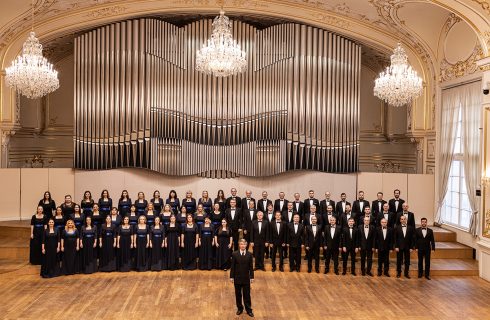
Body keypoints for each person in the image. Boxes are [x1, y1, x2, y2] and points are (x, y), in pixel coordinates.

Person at [230, 239, 254, 318]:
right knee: (238, 294)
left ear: (246, 245)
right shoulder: (234, 254)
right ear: (239, 245)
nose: (243, 246)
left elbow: (251, 267)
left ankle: (249, 309)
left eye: (244, 244)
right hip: (237, 278)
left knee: (247, 295)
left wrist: (252, 277)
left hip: (246, 278)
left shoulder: (249, 254)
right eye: (241, 244)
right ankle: (240, 308)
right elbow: (232, 267)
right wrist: (231, 277)